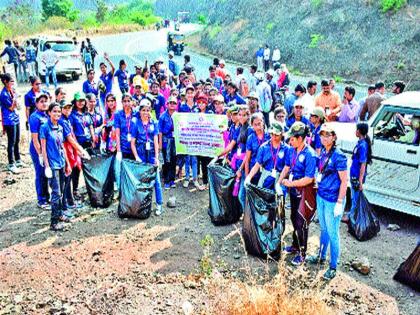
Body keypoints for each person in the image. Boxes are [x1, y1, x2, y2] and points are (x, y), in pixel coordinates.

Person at [306, 124, 348, 281]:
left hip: (332, 200)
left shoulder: (339, 156)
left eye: (328, 135)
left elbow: (344, 181)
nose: (324, 137)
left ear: (334, 137)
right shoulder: (323, 152)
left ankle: (333, 266)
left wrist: (339, 202)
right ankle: (321, 256)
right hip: (322, 196)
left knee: (333, 232)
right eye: (322, 134)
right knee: (323, 229)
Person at [277, 121, 317, 266]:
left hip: (304, 193)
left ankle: (302, 252)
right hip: (294, 192)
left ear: (300, 139)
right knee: (294, 218)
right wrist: (279, 182)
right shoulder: (292, 150)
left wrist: (291, 183)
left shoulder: (310, 154)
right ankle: (295, 245)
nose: (289, 141)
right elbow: (287, 166)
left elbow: (309, 178)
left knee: (302, 222)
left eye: (292, 138)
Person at [130, 99, 164, 216]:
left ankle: (159, 204)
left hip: (151, 155)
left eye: (148, 110)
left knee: (157, 181)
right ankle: (142, 204)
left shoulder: (153, 122)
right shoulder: (135, 123)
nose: (145, 112)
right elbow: (133, 143)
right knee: (141, 181)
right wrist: (136, 157)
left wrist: (157, 157)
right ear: (139, 111)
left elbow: (155, 142)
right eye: (143, 110)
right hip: (141, 154)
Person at [40, 103, 70, 231]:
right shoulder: (45, 128)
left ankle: (60, 214)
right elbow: (43, 148)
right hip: (52, 165)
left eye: (59, 111)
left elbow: (62, 147)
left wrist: (67, 163)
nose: (57, 114)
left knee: (61, 190)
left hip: (61, 163)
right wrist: (46, 165)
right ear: (49, 113)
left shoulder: (60, 127)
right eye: (54, 111)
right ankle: (54, 221)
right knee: (56, 193)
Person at [245, 121, 290, 193]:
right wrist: (249, 177)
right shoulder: (264, 147)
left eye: (276, 134)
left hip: (280, 177)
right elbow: (257, 165)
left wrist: (279, 183)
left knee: (278, 201)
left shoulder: (287, 149)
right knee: (261, 199)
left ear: (282, 134)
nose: (274, 137)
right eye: (272, 134)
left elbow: (287, 167)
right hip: (266, 177)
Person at [178, 85, 204, 190]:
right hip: (186, 136)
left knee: (194, 158)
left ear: (194, 94)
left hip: (196, 136)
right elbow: (179, 120)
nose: (189, 95)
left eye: (191, 93)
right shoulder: (182, 106)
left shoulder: (197, 107)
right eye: (188, 93)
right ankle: (187, 178)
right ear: (185, 95)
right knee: (187, 158)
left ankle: (195, 178)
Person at [29, 93, 50, 209]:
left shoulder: (46, 115)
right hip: (38, 150)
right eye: (41, 101)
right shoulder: (34, 117)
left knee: (46, 174)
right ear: (36, 103)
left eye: (46, 101)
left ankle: (47, 197)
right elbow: (35, 138)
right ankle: (41, 200)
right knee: (41, 174)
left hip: (46, 149)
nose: (44, 103)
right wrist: (40, 154)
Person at [347, 123, 372, 220]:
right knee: (354, 196)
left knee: (355, 198)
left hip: (357, 176)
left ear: (359, 131)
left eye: (356, 129)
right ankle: (352, 216)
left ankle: (353, 218)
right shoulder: (360, 143)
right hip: (354, 174)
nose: (355, 131)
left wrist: (360, 181)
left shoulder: (363, 146)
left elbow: (363, 164)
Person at [0, 73, 23, 173]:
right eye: (11, 81)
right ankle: (11, 163)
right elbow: (10, 107)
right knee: (11, 142)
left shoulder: (11, 91)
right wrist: (15, 98)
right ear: (5, 82)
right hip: (9, 120)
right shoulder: (4, 94)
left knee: (17, 139)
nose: (13, 83)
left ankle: (18, 159)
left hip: (15, 117)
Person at [159, 96, 178, 189]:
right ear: (167, 104)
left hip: (175, 141)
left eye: (174, 103)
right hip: (166, 141)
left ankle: (172, 180)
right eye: (170, 103)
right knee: (167, 161)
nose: (172, 105)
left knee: (174, 160)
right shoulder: (162, 116)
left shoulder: (178, 116)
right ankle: (166, 180)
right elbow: (160, 132)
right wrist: (160, 144)